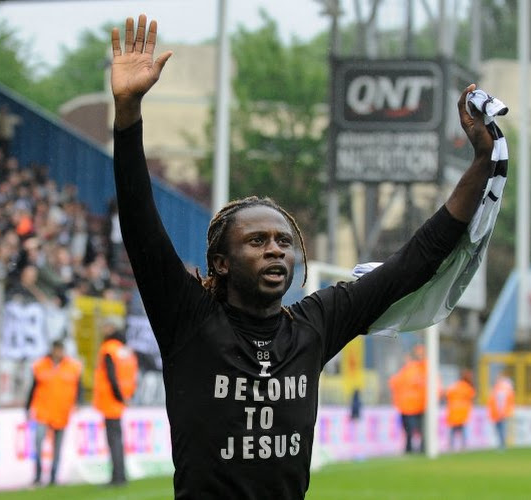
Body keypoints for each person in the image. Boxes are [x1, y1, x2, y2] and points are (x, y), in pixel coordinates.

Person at [110, 13, 495, 499]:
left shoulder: (315, 324)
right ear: (221, 263)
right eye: (257, 241)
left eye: (283, 242)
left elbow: (415, 260)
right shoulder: (189, 321)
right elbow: (141, 226)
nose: (275, 248)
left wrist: (481, 165)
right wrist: (127, 116)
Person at [25, 340, 82, 486]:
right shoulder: (41, 365)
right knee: (38, 442)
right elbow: (33, 388)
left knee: (57, 447)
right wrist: (27, 407)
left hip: (61, 412)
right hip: (43, 411)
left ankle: (53, 476)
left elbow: (79, 387)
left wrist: (78, 403)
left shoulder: (73, 366)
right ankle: (38, 475)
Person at [92, 315, 138, 486]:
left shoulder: (108, 348)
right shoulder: (125, 349)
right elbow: (132, 373)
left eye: (105, 327)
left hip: (111, 399)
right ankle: (120, 475)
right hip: (121, 399)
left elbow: (111, 376)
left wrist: (118, 396)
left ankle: (117, 477)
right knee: (117, 438)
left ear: (111, 328)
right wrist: (127, 397)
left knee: (114, 440)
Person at [389, 350, 427, 454]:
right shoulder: (405, 371)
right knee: (412, 430)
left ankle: (415, 448)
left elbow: (395, 384)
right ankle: (414, 448)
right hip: (409, 406)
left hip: (414, 406)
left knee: (413, 429)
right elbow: (395, 385)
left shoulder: (416, 369)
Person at [445, 368, 476, 451]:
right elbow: (472, 397)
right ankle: (464, 446)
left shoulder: (454, 386)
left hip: (453, 410)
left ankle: (451, 446)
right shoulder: (468, 388)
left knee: (453, 430)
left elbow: (447, 395)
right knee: (463, 429)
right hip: (463, 411)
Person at [487, 370, 515, 450]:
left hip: (501, 413)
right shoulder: (498, 388)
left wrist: (502, 412)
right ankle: (501, 444)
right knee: (500, 429)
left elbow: (502, 402)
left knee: (501, 429)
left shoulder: (502, 388)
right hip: (497, 413)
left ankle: (502, 445)